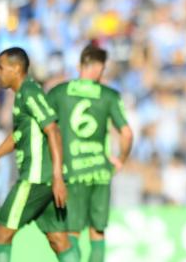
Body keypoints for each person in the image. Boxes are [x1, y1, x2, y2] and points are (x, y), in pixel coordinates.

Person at [0, 47, 78, 262]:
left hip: (35, 178)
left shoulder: (29, 92)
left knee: (1, 235)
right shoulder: (22, 95)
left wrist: (57, 178)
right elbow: (18, 137)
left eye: (1, 68)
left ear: (16, 69)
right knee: (58, 240)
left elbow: (52, 129)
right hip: (44, 181)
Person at [47, 44, 133, 262]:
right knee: (97, 230)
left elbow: (46, 128)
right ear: (100, 68)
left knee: (72, 231)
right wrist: (120, 160)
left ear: (80, 65)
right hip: (100, 172)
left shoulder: (59, 92)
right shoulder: (109, 95)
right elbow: (127, 133)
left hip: (72, 170)